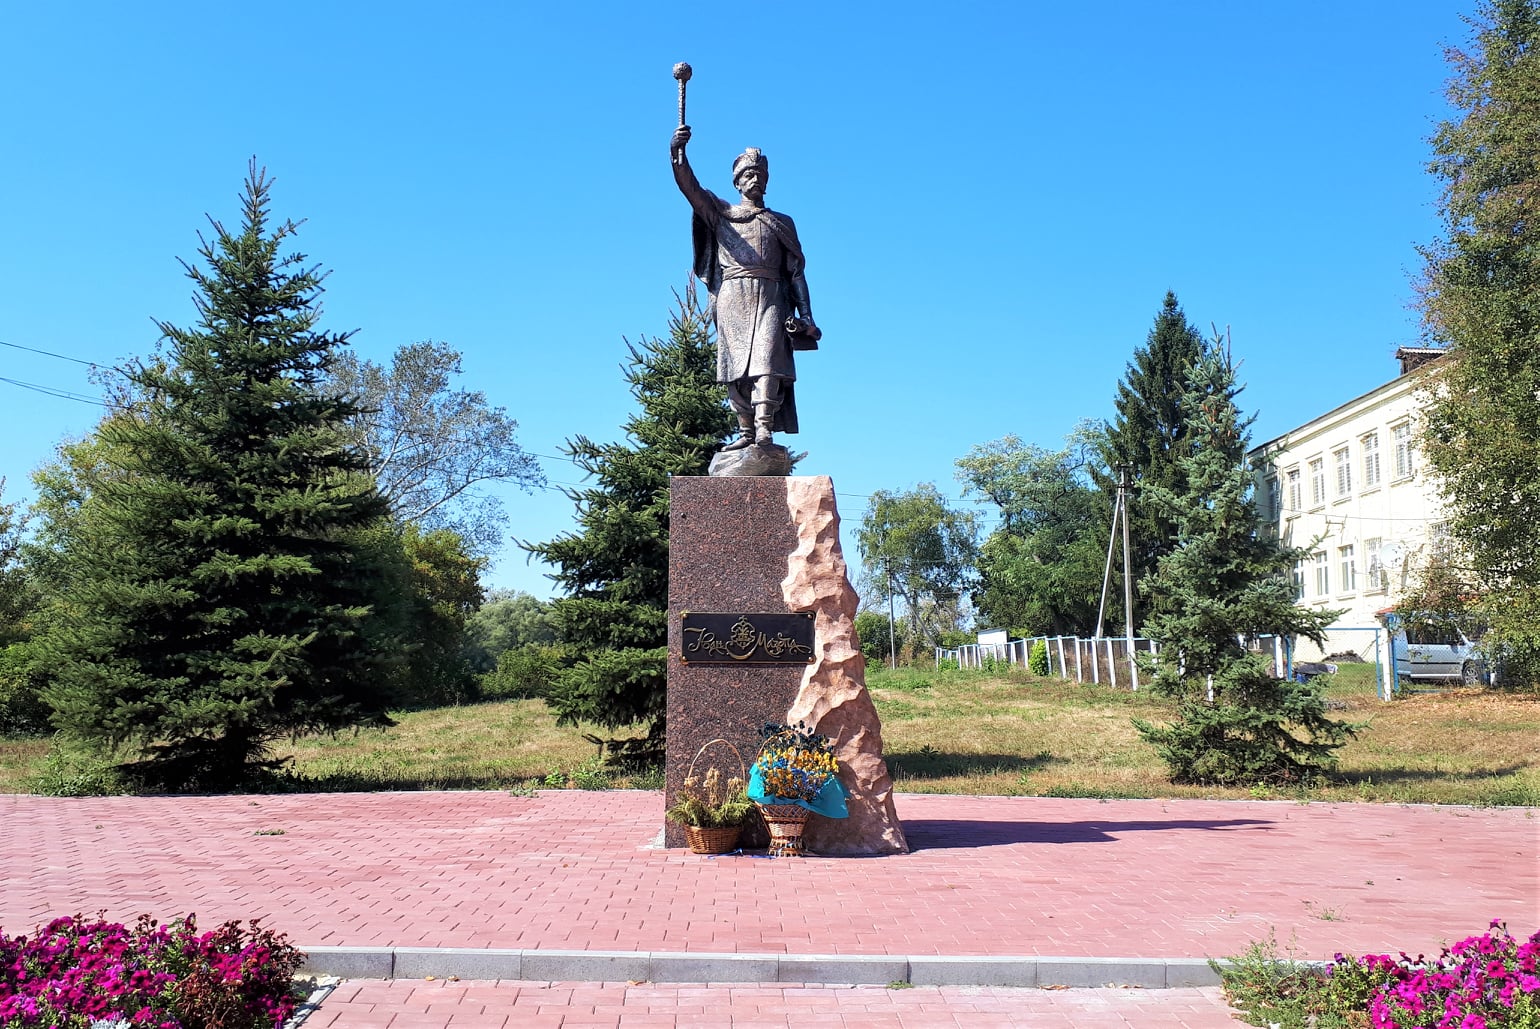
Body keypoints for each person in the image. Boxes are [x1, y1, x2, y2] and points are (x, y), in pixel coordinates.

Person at [671, 124, 819, 450]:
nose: (755, 180)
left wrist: (807, 316)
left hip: (771, 295)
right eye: (749, 176)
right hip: (733, 297)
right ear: (737, 182)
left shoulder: (781, 222)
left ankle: (764, 429)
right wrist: (678, 153)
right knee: (734, 368)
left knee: (768, 361)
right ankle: (746, 432)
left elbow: (796, 272)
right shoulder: (721, 214)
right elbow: (690, 187)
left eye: (760, 176)